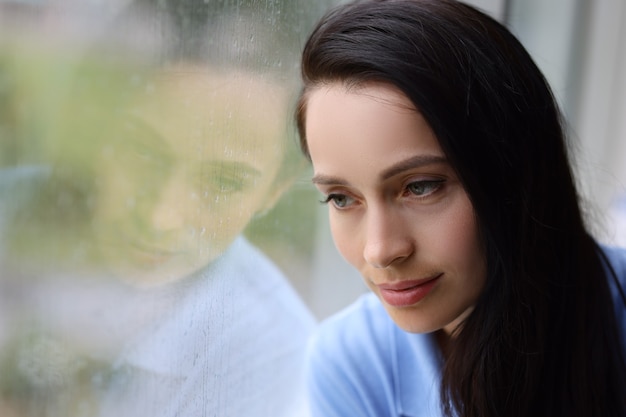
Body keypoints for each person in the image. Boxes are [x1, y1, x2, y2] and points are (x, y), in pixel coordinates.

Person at [294, 1, 626, 416]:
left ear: (515, 173)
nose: (379, 250)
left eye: (421, 186)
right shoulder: (353, 365)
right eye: (342, 198)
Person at [0, 1, 328, 416]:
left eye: (224, 183)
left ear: (275, 189)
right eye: (142, 151)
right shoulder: (11, 214)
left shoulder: (268, 354)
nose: (160, 217)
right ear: (97, 124)